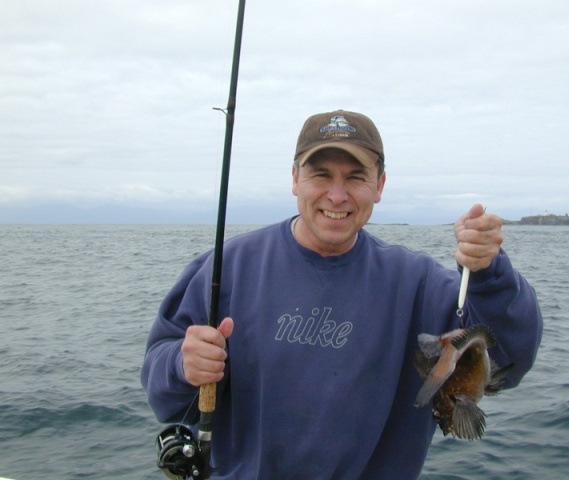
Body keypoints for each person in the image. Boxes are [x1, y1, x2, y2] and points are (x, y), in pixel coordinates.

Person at [141, 110, 543, 479]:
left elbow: (509, 361)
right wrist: (182, 365)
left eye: (355, 177)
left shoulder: (419, 283)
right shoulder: (225, 268)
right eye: (320, 175)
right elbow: (164, 398)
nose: (337, 195)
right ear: (295, 177)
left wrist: (489, 273)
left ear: (380, 185)